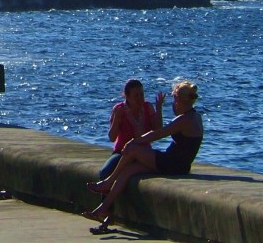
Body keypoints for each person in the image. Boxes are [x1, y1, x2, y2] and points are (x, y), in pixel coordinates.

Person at [84, 80, 203, 224]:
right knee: (128, 171)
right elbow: (112, 137)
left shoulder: (184, 119)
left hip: (172, 163)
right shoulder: (194, 116)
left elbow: (157, 133)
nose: (173, 104)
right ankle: (103, 209)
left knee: (133, 149)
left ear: (179, 100)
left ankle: (108, 182)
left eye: (174, 99)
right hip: (177, 164)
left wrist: (134, 142)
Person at [99, 79, 164, 179]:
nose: (140, 98)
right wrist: (117, 119)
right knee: (105, 172)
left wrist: (159, 109)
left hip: (143, 152)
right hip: (122, 152)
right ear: (127, 96)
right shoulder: (119, 109)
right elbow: (112, 137)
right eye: (136, 96)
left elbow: (158, 130)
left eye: (141, 95)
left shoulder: (147, 107)